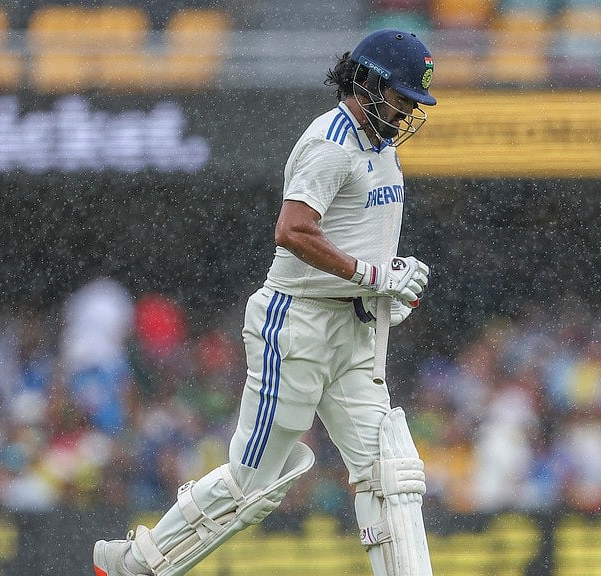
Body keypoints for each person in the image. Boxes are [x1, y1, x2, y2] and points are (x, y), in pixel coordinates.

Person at [93, 29, 437, 576]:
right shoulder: (331, 142)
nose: (405, 112)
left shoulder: (382, 145)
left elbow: (358, 235)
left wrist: (385, 285)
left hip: (353, 330)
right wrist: (371, 274)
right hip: (297, 325)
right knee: (256, 486)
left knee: (390, 474)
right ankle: (137, 562)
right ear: (368, 83)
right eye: (400, 97)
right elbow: (293, 230)